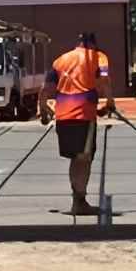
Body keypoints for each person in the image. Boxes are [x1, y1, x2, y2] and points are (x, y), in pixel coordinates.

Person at [47, 31, 113, 217]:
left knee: (75, 158)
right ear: (93, 44)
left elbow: (47, 88)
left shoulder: (60, 60)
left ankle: (78, 199)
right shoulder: (99, 57)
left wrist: (43, 108)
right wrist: (109, 102)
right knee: (84, 159)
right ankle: (79, 202)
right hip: (84, 114)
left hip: (63, 115)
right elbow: (105, 78)